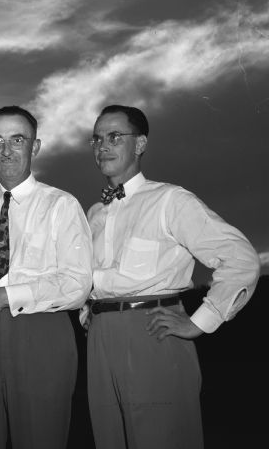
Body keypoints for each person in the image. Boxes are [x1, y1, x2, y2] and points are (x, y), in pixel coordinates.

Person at [84, 104, 261, 449]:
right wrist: (87, 312)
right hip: (100, 340)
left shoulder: (169, 200)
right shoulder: (94, 213)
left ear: (140, 145)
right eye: (97, 139)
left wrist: (201, 321)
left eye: (115, 136)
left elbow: (240, 258)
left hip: (153, 332)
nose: (102, 146)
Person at [0, 105, 93, 449]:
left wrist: (5, 297)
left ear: (35, 147)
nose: (6, 151)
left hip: (40, 331)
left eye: (17, 140)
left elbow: (78, 284)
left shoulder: (60, 205)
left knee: (40, 436)